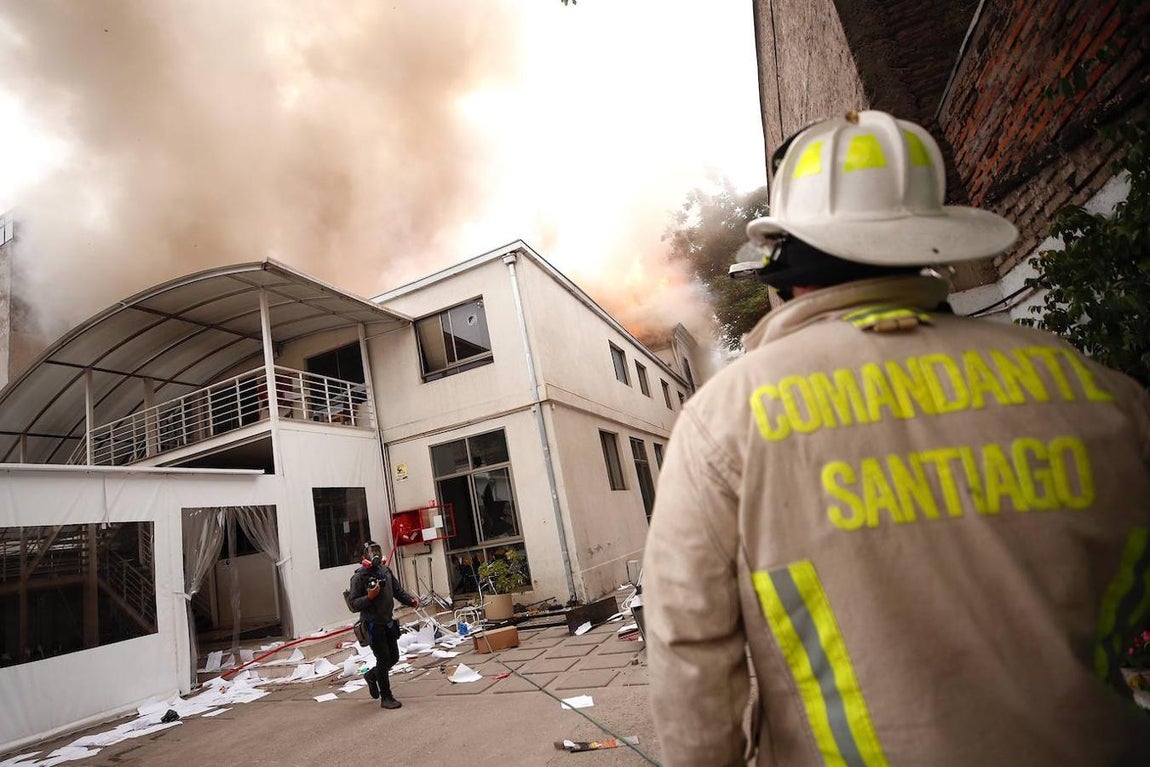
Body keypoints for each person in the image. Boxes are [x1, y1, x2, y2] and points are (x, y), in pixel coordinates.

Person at [643, 110, 1150, 765]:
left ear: (784, 266)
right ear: (928, 244)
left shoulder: (724, 420)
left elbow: (690, 656)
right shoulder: (1096, 389)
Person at [348, 540, 419, 709]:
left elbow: (397, 591)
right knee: (383, 657)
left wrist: (410, 600)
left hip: (388, 621)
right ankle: (386, 697)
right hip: (373, 624)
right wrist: (370, 597)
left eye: (377, 550)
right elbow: (353, 604)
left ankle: (372, 676)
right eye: (371, 552)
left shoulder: (385, 570)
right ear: (363, 556)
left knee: (393, 657)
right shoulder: (359, 577)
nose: (376, 555)